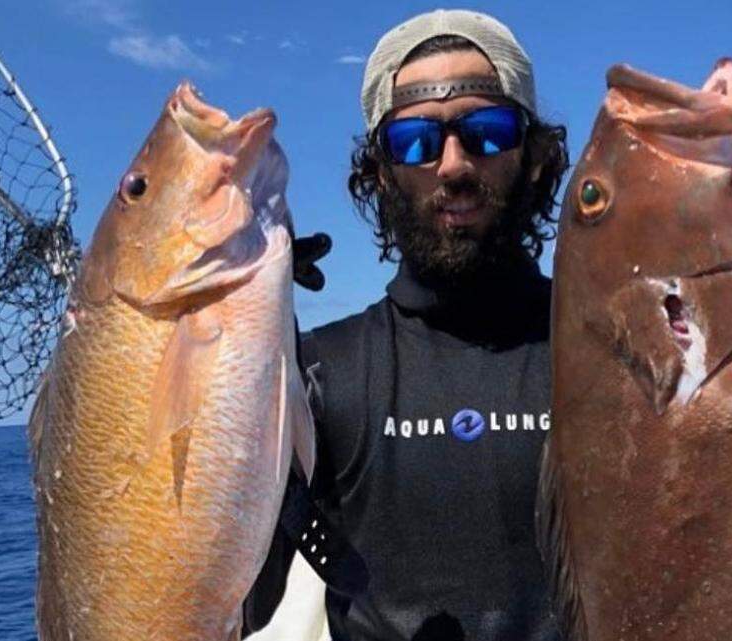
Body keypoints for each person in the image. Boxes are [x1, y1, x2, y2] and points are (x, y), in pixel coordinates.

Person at [243, 9, 570, 641]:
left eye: (487, 130)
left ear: (533, 156)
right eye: (414, 141)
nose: (452, 165)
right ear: (379, 173)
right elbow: (230, 596)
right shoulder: (316, 375)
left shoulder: (617, 352)